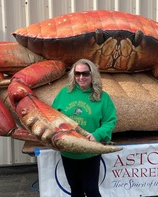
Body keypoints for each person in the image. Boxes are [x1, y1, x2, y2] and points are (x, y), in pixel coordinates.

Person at [52, 59, 117, 197]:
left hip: (90, 150)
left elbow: (110, 121)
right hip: (68, 151)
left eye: (85, 73)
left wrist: (97, 134)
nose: (81, 77)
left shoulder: (102, 97)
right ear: (73, 75)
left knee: (91, 189)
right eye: (77, 74)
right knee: (75, 189)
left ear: (92, 74)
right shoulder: (64, 93)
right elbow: (53, 117)